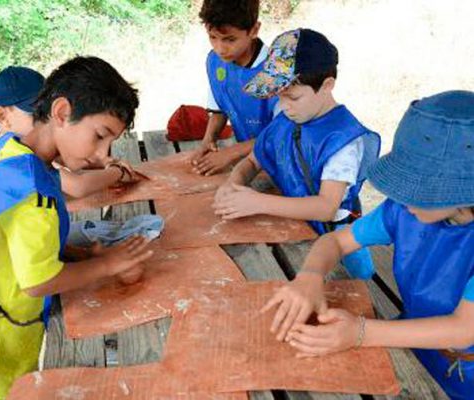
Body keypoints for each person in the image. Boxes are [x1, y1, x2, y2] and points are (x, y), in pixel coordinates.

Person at [262, 90, 474, 400]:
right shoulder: (402, 209)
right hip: (411, 343)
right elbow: (335, 239)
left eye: (421, 190)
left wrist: (361, 332)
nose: (404, 197)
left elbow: (463, 329)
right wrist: (309, 276)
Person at [0, 56, 153, 399]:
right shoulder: (34, 193)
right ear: (60, 112)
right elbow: (38, 281)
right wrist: (106, 265)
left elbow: (16, 239)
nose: (102, 152)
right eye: (100, 136)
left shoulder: (9, 150)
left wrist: (81, 254)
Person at [214, 28, 380, 278]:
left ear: (327, 86)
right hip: (296, 227)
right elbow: (252, 160)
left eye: (293, 96)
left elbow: (326, 207)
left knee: (353, 289)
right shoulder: (287, 117)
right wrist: (233, 185)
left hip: (335, 237)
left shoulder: (343, 142)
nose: (284, 105)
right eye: (279, 96)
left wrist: (256, 202)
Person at [0, 65, 140, 198]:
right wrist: (117, 172)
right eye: (36, 111)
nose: (46, 116)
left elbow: (64, 159)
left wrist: (103, 162)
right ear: (2, 117)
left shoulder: (15, 141)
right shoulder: (14, 159)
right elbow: (78, 186)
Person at [191, 0, 278, 176]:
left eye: (229, 39)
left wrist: (231, 153)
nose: (220, 48)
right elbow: (220, 109)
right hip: (249, 160)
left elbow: (282, 133)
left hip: (281, 161)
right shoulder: (216, 62)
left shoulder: (276, 72)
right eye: (212, 37)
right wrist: (208, 140)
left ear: (254, 30)